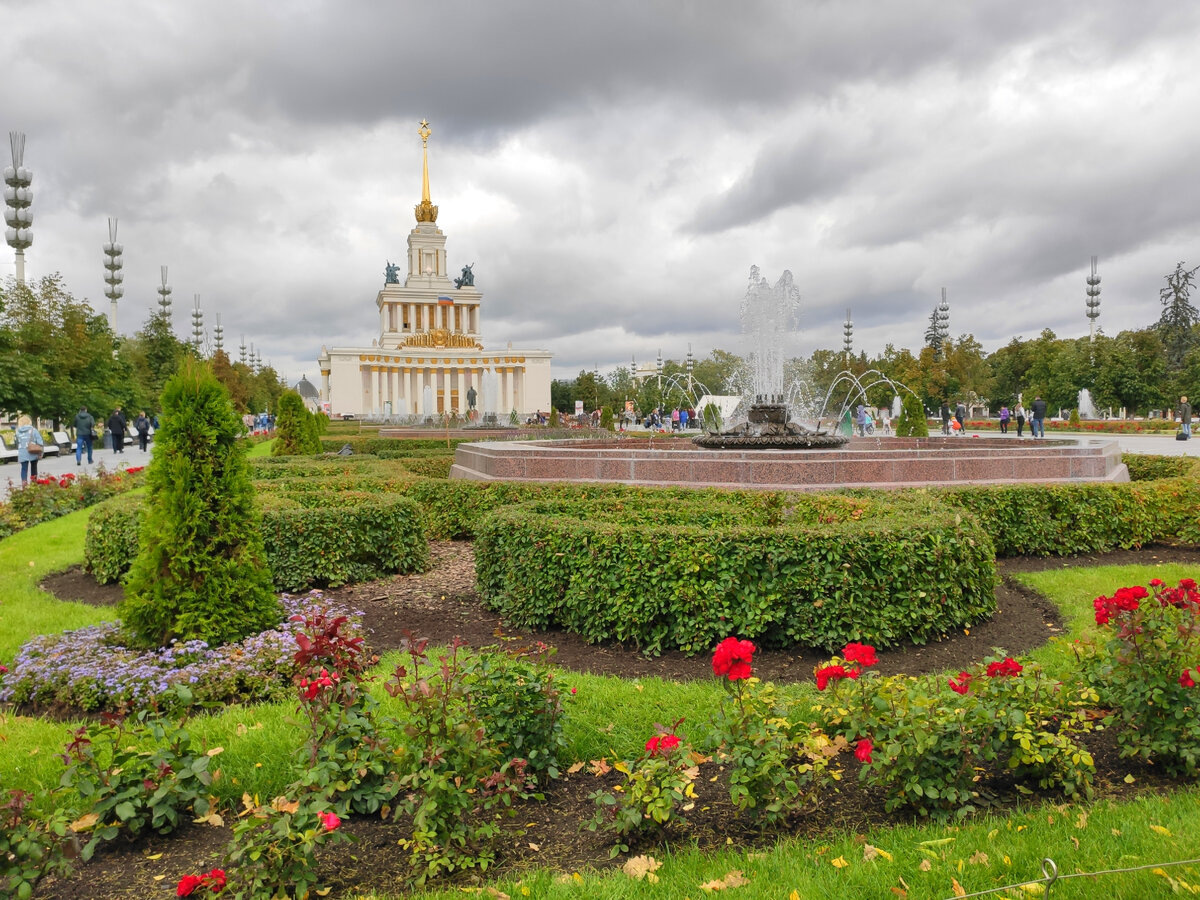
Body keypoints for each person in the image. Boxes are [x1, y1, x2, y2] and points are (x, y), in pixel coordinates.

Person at [15, 414, 41, 485]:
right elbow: (40, 442)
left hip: (22, 453)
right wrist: (41, 452)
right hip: (33, 451)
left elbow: (16, 442)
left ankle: (24, 483)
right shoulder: (34, 430)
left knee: (24, 468)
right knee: (34, 467)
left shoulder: (17, 432)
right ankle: (34, 483)